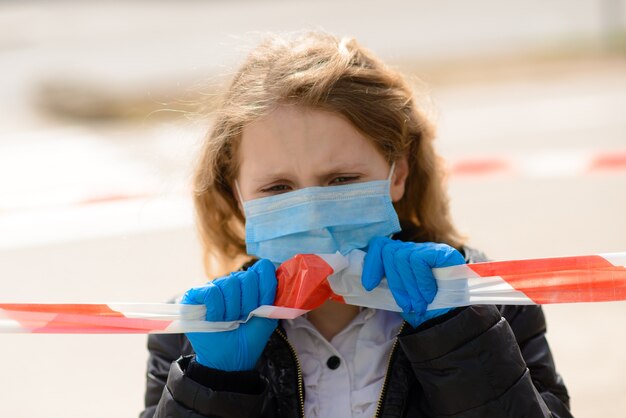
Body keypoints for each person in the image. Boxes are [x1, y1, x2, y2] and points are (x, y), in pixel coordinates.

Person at [140, 31, 572, 418]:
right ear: (237, 194)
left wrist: (459, 335)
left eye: (341, 180)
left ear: (397, 174)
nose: (310, 211)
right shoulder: (189, 335)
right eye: (278, 188)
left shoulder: (489, 299)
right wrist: (212, 385)